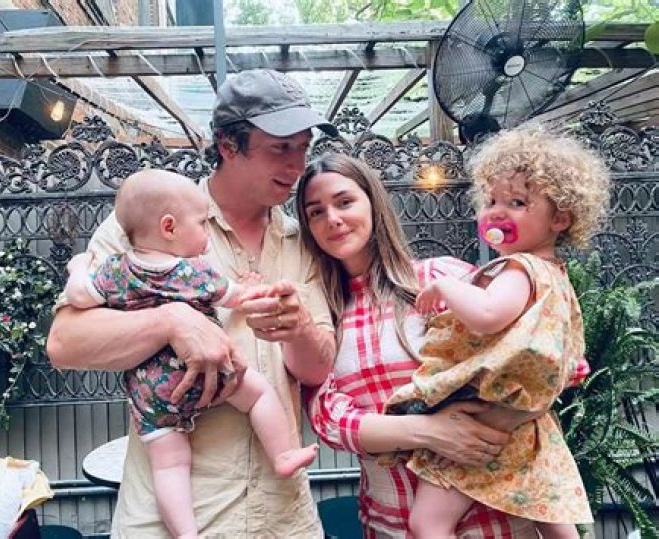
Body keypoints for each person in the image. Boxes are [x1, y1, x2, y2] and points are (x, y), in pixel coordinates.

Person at [47, 68, 339, 537]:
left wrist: (299, 327)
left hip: (283, 518)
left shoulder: (302, 240)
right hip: (171, 522)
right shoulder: (147, 223)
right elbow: (65, 344)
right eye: (281, 148)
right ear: (228, 146)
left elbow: (317, 370)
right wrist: (171, 320)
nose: (297, 164)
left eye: (303, 147)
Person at [296, 152, 593, 538]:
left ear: (373, 203)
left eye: (345, 201)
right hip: (391, 521)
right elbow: (327, 419)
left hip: (494, 521)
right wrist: (426, 430)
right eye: (316, 212)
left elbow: (524, 357)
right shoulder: (320, 316)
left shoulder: (442, 277)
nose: (332, 219)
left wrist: (517, 406)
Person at [63, 170, 319, 538]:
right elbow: (235, 297)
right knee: (260, 394)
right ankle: (283, 454)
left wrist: (78, 267)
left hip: (153, 393)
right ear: (169, 227)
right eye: (200, 224)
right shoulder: (190, 272)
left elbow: (79, 296)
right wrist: (252, 289)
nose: (205, 232)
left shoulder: (116, 270)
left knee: (169, 465)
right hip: (208, 378)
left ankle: (185, 533)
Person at [384, 124, 608, 539]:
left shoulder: (520, 269)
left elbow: (488, 315)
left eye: (517, 202)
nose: (496, 211)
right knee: (553, 519)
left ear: (560, 217)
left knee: (427, 523)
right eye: (490, 200)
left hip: (485, 421)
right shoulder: (556, 276)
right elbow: (558, 346)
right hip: (530, 425)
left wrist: (445, 287)